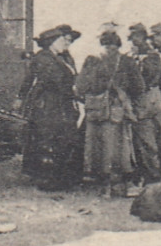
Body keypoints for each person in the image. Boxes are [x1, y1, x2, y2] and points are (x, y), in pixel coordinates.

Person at [75, 28, 142, 197]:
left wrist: (93, 94)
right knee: (118, 148)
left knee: (96, 147)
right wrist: (123, 93)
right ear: (118, 45)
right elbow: (139, 87)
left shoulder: (91, 60)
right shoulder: (126, 61)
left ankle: (102, 185)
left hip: (95, 111)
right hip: (116, 111)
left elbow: (80, 86)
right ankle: (118, 185)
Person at [17, 23, 81, 191]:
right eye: (62, 40)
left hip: (63, 103)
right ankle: (47, 178)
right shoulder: (44, 58)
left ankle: (59, 176)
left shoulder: (63, 57)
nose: (66, 43)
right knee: (48, 138)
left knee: (63, 138)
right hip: (49, 104)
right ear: (52, 42)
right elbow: (52, 80)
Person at [126, 23, 161, 187]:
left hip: (147, 102)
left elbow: (145, 80)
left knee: (149, 140)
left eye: (135, 38)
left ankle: (153, 175)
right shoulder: (133, 56)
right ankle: (147, 173)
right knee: (142, 140)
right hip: (143, 102)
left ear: (143, 38)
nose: (133, 42)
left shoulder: (151, 57)